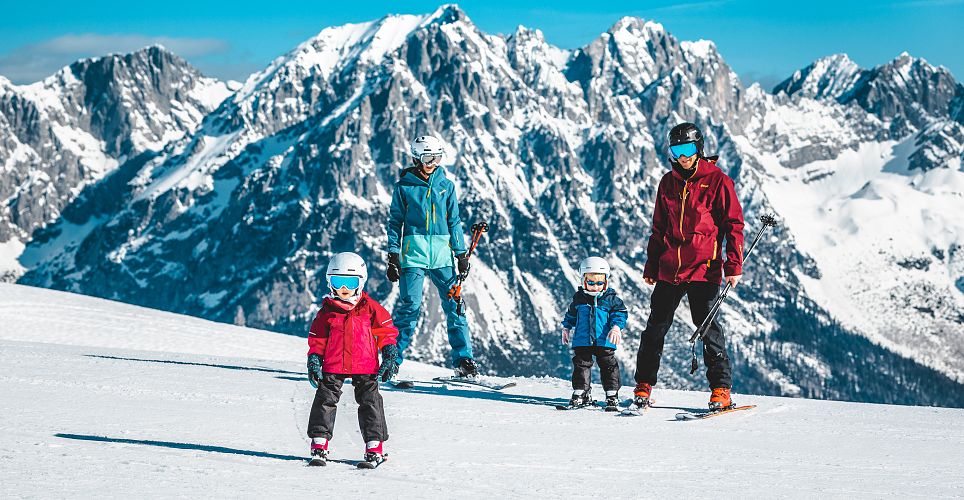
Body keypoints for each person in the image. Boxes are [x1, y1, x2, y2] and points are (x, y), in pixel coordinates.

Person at [633, 122, 745, 412]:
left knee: (707, 328)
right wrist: (652, 265)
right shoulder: (667, 183)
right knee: (655, 327)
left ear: (699, 149)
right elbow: (658, 227)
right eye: (677, 150)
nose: (683, 156)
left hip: (704, 268)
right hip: (670, 267)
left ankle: (721, 389)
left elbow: (733, 225)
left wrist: (734, 265)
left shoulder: (718, 181)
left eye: (688, 149)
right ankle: (643, 384)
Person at [385, 135, 478, 378]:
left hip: (442, 256)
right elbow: (395, 222)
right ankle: (392, 359)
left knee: (455, 306)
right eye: (428, 158)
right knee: (410, 307)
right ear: (416, 158)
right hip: (413, 255)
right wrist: (393, 255)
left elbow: (454, 221)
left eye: (437, 157)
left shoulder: (446, 186)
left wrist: (460, 253)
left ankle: (463, 359)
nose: (433, 163)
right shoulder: (404, 188)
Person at [306, 252, 400, 467]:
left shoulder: (370, 307)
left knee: (371, 403)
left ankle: (374, 447)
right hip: (333, 364)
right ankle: (319, 444)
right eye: (338, 282)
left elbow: (386, 332)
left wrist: (389, 355)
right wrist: (314, 360)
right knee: (324, 400)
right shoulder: (327, 312)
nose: (344, 289)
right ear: (330, 282)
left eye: (350, 282)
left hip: (365, 365)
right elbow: (318, 340)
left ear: (361, 281)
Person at [561, 257, 628, 411]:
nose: (595, 286)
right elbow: (571, 315)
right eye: (591, 282)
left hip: (604, 340)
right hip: (583, 340)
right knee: (581, 364)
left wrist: (616, 327)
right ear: (583, 280)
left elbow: (620, 314)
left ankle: (612, 394)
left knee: (608, 365)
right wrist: (566, 327)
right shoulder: (579, 299)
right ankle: (581, 391)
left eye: (599, 282)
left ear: (606, 282)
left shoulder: (611, 300)